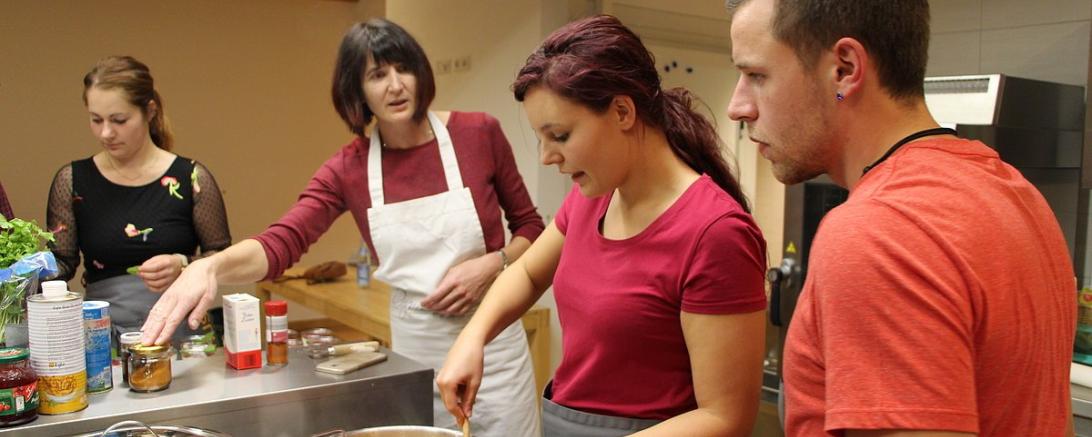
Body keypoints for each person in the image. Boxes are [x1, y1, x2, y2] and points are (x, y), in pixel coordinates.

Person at [139, 19, 544, 436]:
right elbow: (284, 240)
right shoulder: (348, 169)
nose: (395, 85)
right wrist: (212, 267)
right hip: (419, 351)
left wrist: (493, 263)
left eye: (403, 68)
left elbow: (530, 225)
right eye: (377, 75)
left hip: (494, 344)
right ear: (357, 91)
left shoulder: (478, 133)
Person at [725, 0, 1077, 436]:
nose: (737, 107)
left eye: (757, 76)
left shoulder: (877, 230)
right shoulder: (1015, 193)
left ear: (844, 69)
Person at [437, 15, 768, 437]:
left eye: (559, 135)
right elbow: (526, 271)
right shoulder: (593, 196)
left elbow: (725, 417)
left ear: (623, 112)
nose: (546, 157)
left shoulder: (716, 233)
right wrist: (473, 337)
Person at [46, 56, 231, 338]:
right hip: (102, 340)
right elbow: (61, 264)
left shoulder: (191, 178)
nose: (106, 133)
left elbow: (222, 258)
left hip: (181, 335)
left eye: (119, 120)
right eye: (96, 120)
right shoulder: (72, 180)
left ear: (150, 111)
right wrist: (20, 274)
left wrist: (183, 265)